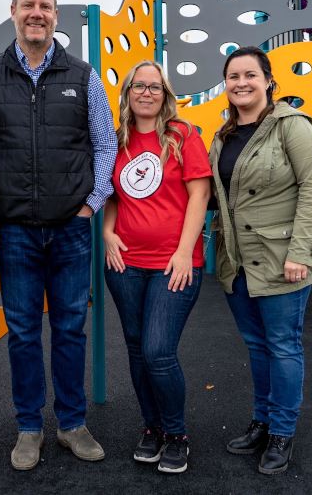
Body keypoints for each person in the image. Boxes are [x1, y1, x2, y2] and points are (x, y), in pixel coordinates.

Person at [0, 0, 117, 471]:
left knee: (72, 328)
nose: (38, 13)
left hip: (72, 229)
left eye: (46, 6)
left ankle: (72, 424)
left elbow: (104, 142)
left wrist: (91, 203)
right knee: (23, 332)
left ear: (56, 16)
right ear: (12, 11)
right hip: (13, 230)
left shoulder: (83, 76)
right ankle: (29, 428)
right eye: (29, 5)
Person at [209, 47, 312, 475]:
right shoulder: (222, 137)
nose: (241, 82)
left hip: (282, 260)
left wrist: (301, 251)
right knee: (258, 346)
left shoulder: (290, 127)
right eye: (233, 76)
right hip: (238, 262)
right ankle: (262, 421)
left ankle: (282, 431)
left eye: (249, 75)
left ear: (267, 81)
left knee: (283, 346)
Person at [103, 61, 211, 474]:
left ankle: (176, 433)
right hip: (125, 263)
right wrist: (107, 233)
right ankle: (152, 428)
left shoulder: (182, 136)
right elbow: (112, 196)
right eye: (139, 86)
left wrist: (185, 253)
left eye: (155, 87)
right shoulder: (117, 140)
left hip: (173, 263)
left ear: (165, 95)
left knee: (158, 351)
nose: (146, 93)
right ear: (128, 92)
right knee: (135, 348)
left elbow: (199, 197)